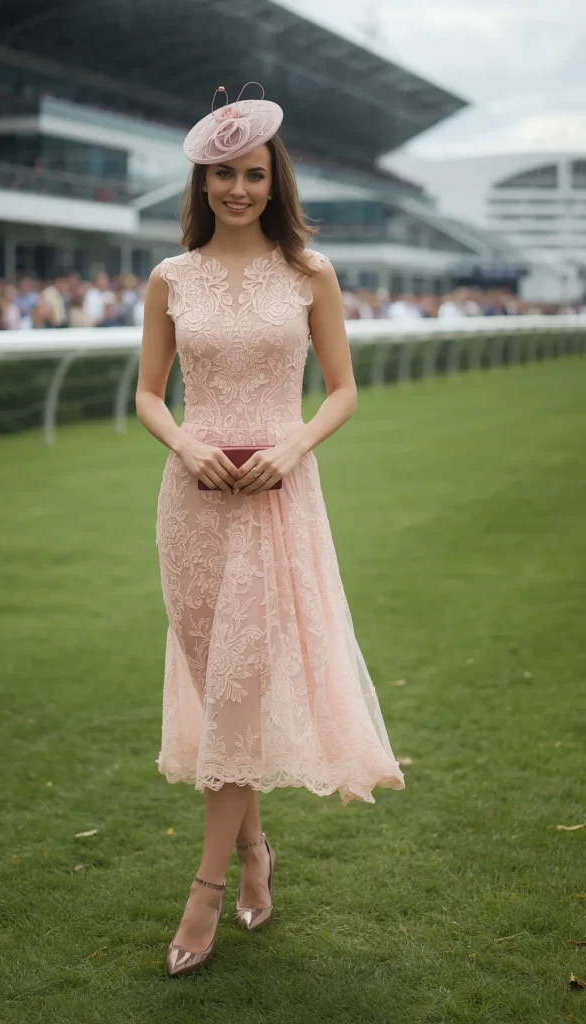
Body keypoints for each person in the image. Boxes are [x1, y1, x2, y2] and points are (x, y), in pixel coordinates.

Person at [135, 82, 405, 980]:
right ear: (203, 183)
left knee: (242, 688)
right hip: (193, 503)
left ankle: (206, 888)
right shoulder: (170, 278)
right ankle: (256, 852)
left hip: (277, 498)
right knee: (221, 692)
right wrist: (184, 442)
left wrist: (293, 445)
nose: (237, 189)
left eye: (252, 174)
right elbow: (147, 393)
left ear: (273, 179)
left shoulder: (310, 275)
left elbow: (344, 388)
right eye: (223, 175)